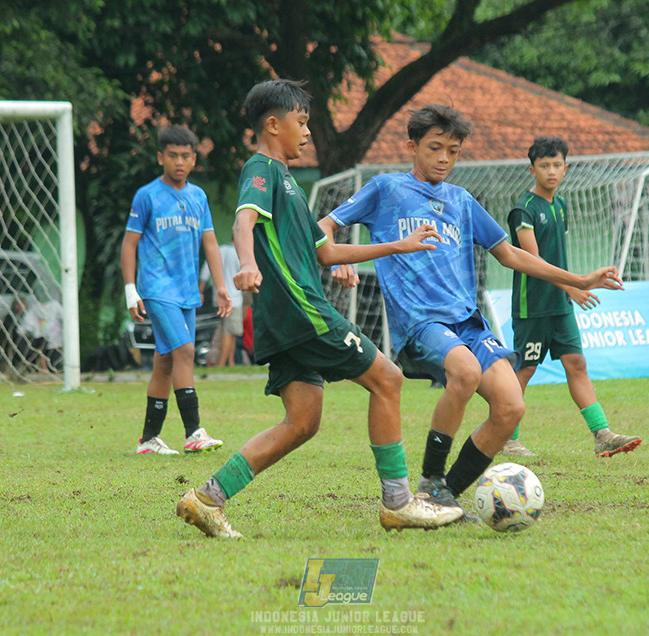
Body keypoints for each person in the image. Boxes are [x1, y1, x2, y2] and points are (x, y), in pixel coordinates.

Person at [176, 80, 464, 538]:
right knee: (388, 378)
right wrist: (246, 264)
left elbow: (325, 252)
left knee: (302, 422)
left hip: (283, 319)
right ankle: (399, 502)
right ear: (274, 124)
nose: (307, 132)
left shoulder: (288, 182)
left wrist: (397, 246)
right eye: (302, 122)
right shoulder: (262, 169)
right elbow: (242, 219)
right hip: (299, 310)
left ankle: (208, 497)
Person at [319, 105, 626, 518]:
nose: (444, 158)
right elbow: (324, 226)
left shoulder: (462, 201)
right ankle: (430, 478)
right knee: (463, 372)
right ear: (412, 147)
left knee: (511, 406)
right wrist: (340, 258)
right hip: (421, 321)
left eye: (453, 151)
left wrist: (578, 280)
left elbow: (510, 255)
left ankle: (443, 496)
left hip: (468, 322)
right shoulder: (386, 189)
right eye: (435, 148)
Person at [507, 136, 641, 458]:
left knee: (577, 364)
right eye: (544, 166)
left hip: (560, 305)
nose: (551, 171)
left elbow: (557, 258)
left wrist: (571, 290)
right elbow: (535, 263)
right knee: (525, 370)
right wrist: (574, 287)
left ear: (565, 168)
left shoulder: (561, 205)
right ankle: (507, 438)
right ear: (532, 169)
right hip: (533, 308)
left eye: (557, 165)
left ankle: (602, 434)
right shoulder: (523, 210)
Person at [121, 124, 231, 456]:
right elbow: (129, 245)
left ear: (194, 159)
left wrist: (221, 287)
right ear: (160, 157)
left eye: (185, 156)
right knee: (185, 351)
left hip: (186, 291)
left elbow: (210, 243)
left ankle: (149, 440)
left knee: (165, 360)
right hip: (156, 288)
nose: (179, 162)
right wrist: (131, 289)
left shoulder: (198, 197)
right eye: (172, 156)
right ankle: (193, 432)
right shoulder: (147, 195)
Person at [200, 243, 245, 366]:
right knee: (228, 332)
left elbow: (205, 273)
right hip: (233, 299)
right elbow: (243, 274)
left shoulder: (217, 250)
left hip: (218, 298)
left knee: (230, 332)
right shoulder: (239, 254)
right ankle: (221, 364)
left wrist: (200, 292)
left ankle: (231, 362)